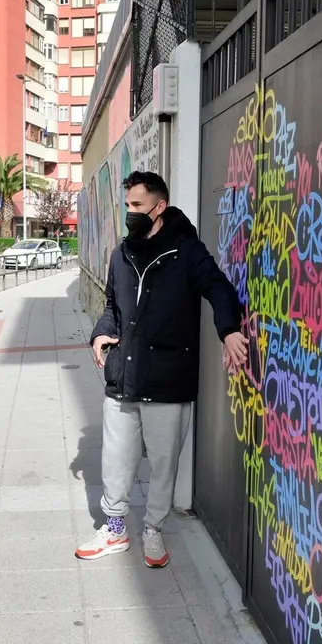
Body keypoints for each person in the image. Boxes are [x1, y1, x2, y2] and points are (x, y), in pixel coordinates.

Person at [76, 171, 248, 567]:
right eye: (127, 205)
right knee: (116, 459)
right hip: (124, 378)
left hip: (168, 380)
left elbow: (219, 289)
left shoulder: (186, 251)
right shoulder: (121, 253)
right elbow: (112, 307)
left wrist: (229, 331)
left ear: (159, 207)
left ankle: (153, 530)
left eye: (137, 205)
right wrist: (102, 334)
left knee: (164, 463)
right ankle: (115, 530)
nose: (130, 212)